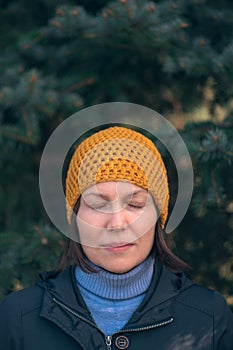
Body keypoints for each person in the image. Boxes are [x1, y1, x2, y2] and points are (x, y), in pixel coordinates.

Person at [0, 125, 232, 350]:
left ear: (159, 216)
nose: (117, 223)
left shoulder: (208, 318)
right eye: (98, 204)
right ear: (75, 216)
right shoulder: (19, 319)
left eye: (135, 204)